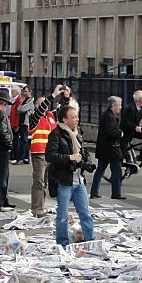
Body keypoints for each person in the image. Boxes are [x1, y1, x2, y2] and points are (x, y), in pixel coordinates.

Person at [45, 102, 95, 247]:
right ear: (65, 120)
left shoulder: (77, 134)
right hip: (64, 180)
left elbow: (84, 152)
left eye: (77, 117)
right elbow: (50, 156)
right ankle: (62, 243)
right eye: (74, 117)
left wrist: (87, 164)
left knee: (85, 213)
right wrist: (69, 158)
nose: (77, 120)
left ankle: (91, 240)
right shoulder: (56, 134)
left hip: (79, 180)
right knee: (62, 216)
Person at [28, 87, 68, 218]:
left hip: (50, 152)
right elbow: (40, 111)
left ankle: (42, 206)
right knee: (39, 181)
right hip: (39, 152)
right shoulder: (35, 117)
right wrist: (53, 95)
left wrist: (65, 97)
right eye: (41, 103)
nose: (44, 106)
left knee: (48, 182)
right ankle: (37, 209)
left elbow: (63, 112)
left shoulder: (51, 116)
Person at [91, 95, 125, 199]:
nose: (120, 107)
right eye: (119, 105)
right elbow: (111, 132)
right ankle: (116, 193)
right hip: (111, 149)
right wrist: (120, 133)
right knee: (117, 171)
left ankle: (94, 192)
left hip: (104, 148)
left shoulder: (108, 115)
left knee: (101, 170)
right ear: (113, 106)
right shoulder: (108, 117)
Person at [15, 86, 35, 164]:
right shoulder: (25, 100)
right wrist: (20, 109)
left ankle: (22, 158)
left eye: (26, 91)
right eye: (24, 91)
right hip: (22, 122)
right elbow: (19, 109)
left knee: (24, 140)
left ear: (30, 92)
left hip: (26, 123)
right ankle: (26, 158)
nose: (24, 93)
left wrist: (20, 109)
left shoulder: (31, 101)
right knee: (24, 140)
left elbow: (22, 109)